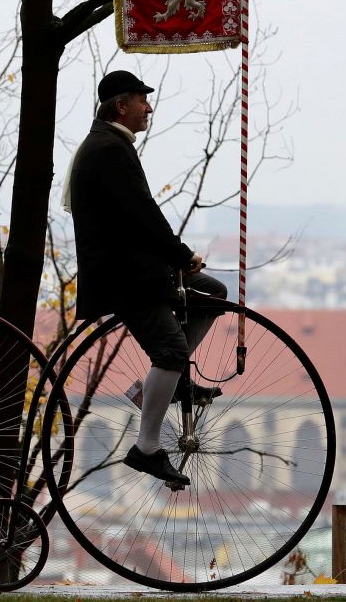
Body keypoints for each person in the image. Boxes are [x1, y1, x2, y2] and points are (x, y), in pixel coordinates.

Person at [66, 69, 226, 487]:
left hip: (137, 269)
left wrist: (173, 258)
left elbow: (136, 215)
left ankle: (172, 384)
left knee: (212, 294)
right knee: (170, 349)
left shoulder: (108, 144)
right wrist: (180, 254)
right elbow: (141, 215)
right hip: (126, 277)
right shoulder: (109, 149)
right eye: (142, 100)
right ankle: (147, 447)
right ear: (122, 105)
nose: (148, 108)